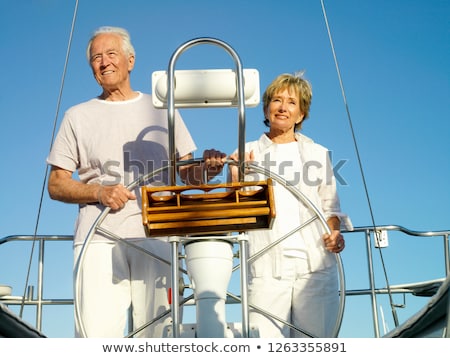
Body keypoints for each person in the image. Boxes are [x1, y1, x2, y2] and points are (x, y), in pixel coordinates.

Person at [47, 26, 225, 338]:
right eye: (96, 58)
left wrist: (208, 169)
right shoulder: (77, 116)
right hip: (97, 240)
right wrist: (99, 192)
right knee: (95, 339)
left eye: (111, 54)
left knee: (158, 336)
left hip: (157, 235)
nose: (104, 62)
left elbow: (187, 173)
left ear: (131, 60)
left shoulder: (162, 110)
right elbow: (57, 184)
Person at [229, 73, 353, 338]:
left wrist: (335, 234)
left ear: (301, 115)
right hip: (266, 268)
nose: (283, 107)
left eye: (292, 102)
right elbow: (233, 211)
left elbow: (330, 208)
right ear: (266, 108)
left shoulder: (318, 154)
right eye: (276, 100)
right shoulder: (246, 152)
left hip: (316, 267)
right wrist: (236, 175)